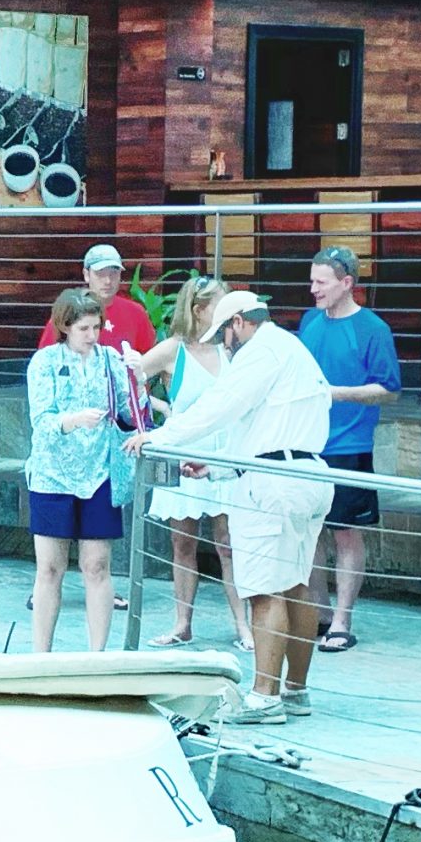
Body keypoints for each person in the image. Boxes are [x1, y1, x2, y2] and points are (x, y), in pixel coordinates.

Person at [142, 292, 332, 724]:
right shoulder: (291, 349)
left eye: (225, 336)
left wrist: (161, 438)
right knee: (296, 586)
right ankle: (295, 691)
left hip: (274, 484)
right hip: (306, 474)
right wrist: (216, 468)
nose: (225, 346)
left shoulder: (259, 351)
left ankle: (264, 697)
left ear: (239, 322)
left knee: (264, 591)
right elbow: (267, 429)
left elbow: (221, 406)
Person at [128, 274, 252, 650]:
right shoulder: (172, 350)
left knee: (230, 543)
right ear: (199, 310)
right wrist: (159, 410)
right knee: (183, 543)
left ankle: (243, 626)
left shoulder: (231, 348)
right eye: (219, 302)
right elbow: (131, 382)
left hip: (225, 452)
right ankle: (182, 623)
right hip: (183, 451)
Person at [298, 244, 403, 653]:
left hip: (349, 444)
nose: (313, 290)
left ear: (347, 284)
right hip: (306, 441)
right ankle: (319, 612)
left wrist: (336, 394)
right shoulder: (309, 321)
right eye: (311, 281)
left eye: (321, 283)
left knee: (345, 532)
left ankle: (343, 618)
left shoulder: (372, 328)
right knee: (309, 531)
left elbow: (389, 390)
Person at [24, 284, 137, 653]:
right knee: (50, 568)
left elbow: (129, 409)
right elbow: (41, 420)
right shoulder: (45, 362)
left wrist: (138, 378)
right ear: (65, 327)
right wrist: (73, 420)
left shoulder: (109, 360)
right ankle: (40, 655)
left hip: (99, 473)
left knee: (97, 565)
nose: (92, 335)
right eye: (84, 328)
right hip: (52, 475)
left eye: (96, 327)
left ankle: (97, 654)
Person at [39, 242, 157, 359]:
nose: (107, 281)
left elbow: (152, 357)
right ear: (86, 275)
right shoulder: (67, 313)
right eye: (100, 274)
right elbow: (45, 361)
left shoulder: (136, 312)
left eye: (113, 273)